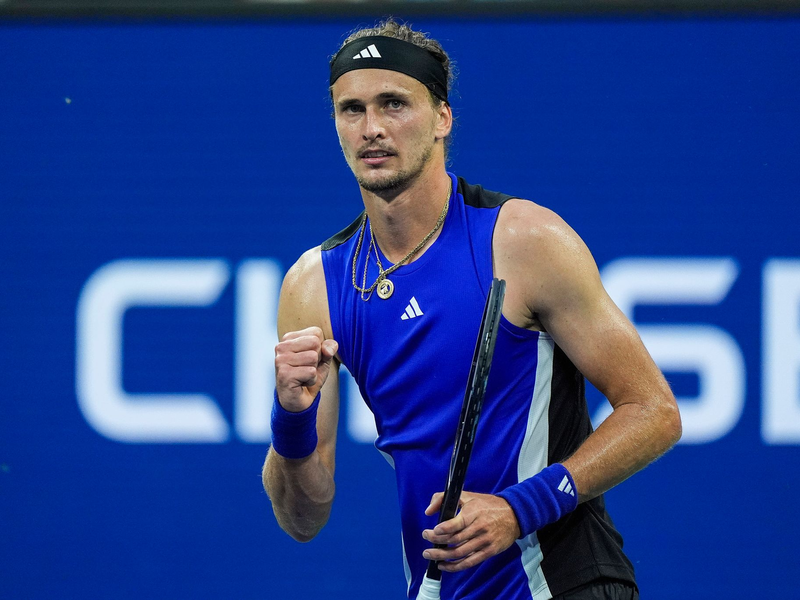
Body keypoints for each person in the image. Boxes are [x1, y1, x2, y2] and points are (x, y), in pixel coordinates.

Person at [262, 19, 681, 600]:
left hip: (562, 584)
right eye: (351, 109)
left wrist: (520, 509)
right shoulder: (314, 285)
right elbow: (302, 519)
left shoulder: (522, 240)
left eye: (394, 104)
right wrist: (291, 417)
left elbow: (654, 411)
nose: (372, 129)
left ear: (442, 118)